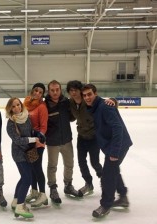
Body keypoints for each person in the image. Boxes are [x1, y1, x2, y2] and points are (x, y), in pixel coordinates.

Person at [81, 83, 132, 218]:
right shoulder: (96, 107)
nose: (87, 97)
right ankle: (123, 197)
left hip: (118, 145)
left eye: (89, 94)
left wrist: (114, 152)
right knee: (112, 170)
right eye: (84, 95)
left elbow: (117, 128)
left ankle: (106, 205)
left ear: (95, 93)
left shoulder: (104, 107)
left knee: (107, 176)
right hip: (112, 145)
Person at [45, 80, 83, 205]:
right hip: (52, 142)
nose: (55, 92)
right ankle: (53, 188)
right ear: (49, 91)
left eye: (57, 89)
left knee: (69, 164)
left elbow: (72, 115)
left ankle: (68, 185)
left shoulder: (66, 102)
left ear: (60, 90)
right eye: (52, 90)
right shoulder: (45, 105)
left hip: (67, 140)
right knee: (52, 166)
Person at [6, 97, 41, 218]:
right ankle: (20, 206)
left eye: (18, 105)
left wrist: (37, 134)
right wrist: (33, 139)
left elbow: (31, 131)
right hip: (18, 153)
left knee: (24, 177)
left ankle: (16, 201)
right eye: (13, 106)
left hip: (28, 151)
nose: (17, 108)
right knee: (27, 178)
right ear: (10, 109)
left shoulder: (27, 117)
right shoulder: (11, 123)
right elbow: (17, 140)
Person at [66, 80, 103, 196]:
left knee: (95, 162)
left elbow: (102, 102)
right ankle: (89, 184)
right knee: (81, 162)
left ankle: (105, 180)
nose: (74, 93)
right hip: (81, 136)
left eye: (76, 90)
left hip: (93, 137)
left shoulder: (88, 100)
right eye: (71, 90)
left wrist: (113, 101)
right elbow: (72, 117)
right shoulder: (71, 102)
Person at [23, 83, 49, 207]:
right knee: (31, 167)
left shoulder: (42, 107)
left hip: (38, 142)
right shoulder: (26, 104)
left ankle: (43, 194)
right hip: (28, 142)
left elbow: (43, 127)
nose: (38, 93)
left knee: (37, 167)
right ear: (32, 91)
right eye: (36, 90)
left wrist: (38, 139)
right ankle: (34, 191)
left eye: (40, 92)